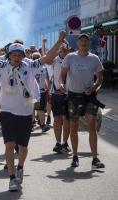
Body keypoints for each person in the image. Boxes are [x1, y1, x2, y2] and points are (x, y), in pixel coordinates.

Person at [0, 28, 66, 191]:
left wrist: (60, 39)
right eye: (14, 55)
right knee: (9, 146)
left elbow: (48, 57)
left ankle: (20, 167)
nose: (16, 58)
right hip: (7, 112)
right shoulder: (2, 65)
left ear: (23, 56)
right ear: (9, 56)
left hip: (25, 112)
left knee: (23, 147)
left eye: (19, 55)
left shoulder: (31, 65)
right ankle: (12, 178)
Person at [60, 34, 105, 170]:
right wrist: (62, 84)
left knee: (92, 126)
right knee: (74, 127)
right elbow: (63, 74)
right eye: (81, 41)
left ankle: (95, 158)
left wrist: (94, 86)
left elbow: (100, 78)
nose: (84, 43)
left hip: (89, 97)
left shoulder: (94, 58)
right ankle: (75, 156)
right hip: (73, 96)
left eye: (86, 41)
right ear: (78, 43)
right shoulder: (70, 57)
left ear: (89, 43)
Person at [50, 43, 71, 153]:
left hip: (68, 94)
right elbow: (46, 58)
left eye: (65, 49)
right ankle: (58, 142)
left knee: (66, 119)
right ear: (59, 50)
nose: (64, 50)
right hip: (56, 94)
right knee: (57, 119)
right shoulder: (54, 60)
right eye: (62, 49)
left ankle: (65, 142)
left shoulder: (72, 59)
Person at [32, 52, 50, 132]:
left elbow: (47, 80)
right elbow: (47, 80)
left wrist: (49, 90)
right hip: (33, 92)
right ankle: (35, 124)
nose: (35, 59)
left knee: (39, 109)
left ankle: (41, 125)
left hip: (41, 91)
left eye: (37, 58)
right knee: (35, 109)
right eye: (34, 58)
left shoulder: (43, 68)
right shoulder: (32, 68)